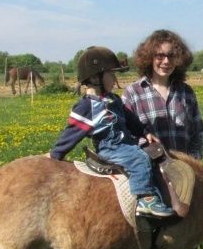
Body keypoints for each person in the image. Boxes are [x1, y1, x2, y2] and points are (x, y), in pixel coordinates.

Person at [122, 30, 203, 249]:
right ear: (149, 57)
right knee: (151, 230)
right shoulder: (133, 93)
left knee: (187, 223)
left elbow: (198, 131)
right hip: (148, 173)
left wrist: (192, 163)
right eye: (159, 55)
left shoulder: (186, 93)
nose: (165, 61)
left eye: (171, 55)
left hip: (182, 172)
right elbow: (125, 134)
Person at [50, 45, 174, 218]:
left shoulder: (113, 99)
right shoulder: (87, 106)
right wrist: (55, 154)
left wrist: (144, 132)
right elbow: (72, 133)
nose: (114, 78)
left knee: (151, 153)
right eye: (111, 74)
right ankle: (145, 198)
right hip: (111, 147)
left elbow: (130, 119)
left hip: (125, 143)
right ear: (95, 77)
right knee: (140, 158)